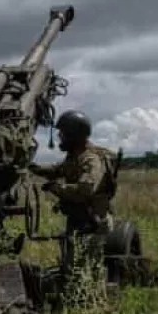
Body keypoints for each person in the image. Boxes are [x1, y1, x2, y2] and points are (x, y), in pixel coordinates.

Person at [28, 110, 118, 287]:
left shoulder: (91, 159)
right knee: (72, 269)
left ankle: (93, 299)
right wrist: (32, 167)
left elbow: (85, 190)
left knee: (86, 272)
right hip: (79, 221)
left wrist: (56, 188)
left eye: (63, 134)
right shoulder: (75, 156)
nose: (59, 137)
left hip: (92, 224)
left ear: (74, 136)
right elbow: (55, 170)